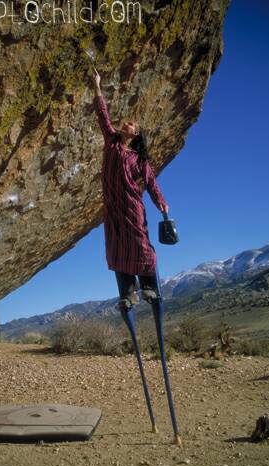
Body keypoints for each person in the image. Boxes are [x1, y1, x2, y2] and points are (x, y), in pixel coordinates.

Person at [91, 68, 169, 316]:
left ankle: (148, 287)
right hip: (113, 207)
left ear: (135, 135)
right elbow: (103, 115)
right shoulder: (112, 141)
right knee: (115, 246)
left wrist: (162, 204)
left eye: (130, 124)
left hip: (132, 206)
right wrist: (97, 86)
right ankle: (127, 293)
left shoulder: (139, 160)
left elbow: (152, 184)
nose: (125, 123)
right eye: (126, 122)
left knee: (140, 244)